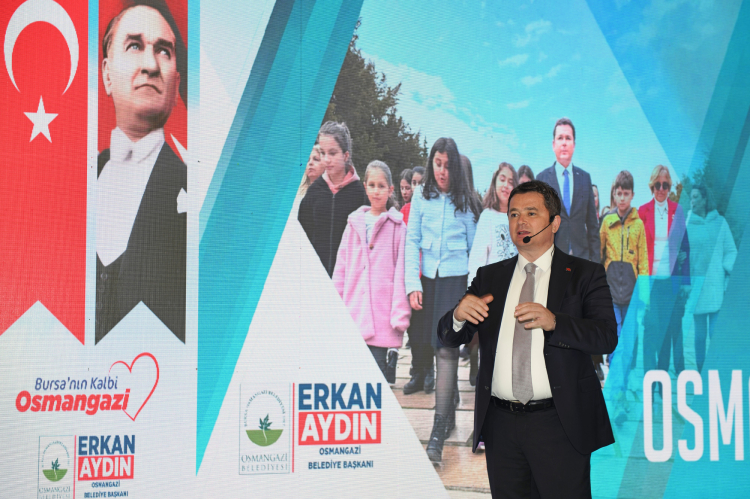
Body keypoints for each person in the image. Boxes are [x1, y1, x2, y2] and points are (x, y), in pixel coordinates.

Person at [437, 180, 617, 497]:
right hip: (501, 427)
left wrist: (555, 322)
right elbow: (450, 337)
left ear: (554, 222)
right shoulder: (490, 277)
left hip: (560, 424)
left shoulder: (585, 274)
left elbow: (605, 337)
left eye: (531, 213)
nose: (520, 222)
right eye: (514, 214)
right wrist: (457, 316)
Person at [96, 0, 187, 343]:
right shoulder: (75, 184)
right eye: (134, 46)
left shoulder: (195, 191)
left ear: (176, 85)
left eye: (164, 51)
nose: (150, 65)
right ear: (107, 74)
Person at [405, 138, 479, 463]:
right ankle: (448, 412)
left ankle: (437, 432)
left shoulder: (467, 203)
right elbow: (412, 240)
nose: (442, 171)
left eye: (448, 166)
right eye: (437, 164)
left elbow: (474, 252)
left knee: (446, 350)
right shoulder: (422, 197)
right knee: (431, 347)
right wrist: (412, 283)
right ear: (431, 162)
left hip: (455, 281)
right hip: (428, 282)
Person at [333, 161, 410, 378]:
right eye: (372, 185)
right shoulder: (352, 225)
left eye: (381, 186)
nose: (376, 191)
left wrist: (399, 315)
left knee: (376, 379)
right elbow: (341, 269)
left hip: (381, 318)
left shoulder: (398, 228)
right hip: (353, 313)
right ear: (365, 187)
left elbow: (401, 274)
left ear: (390, 190)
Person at [638, 165, 690, 380]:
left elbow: (685, 248)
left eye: (665, 185)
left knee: (668, 331)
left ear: (669, 187)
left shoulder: (678, 211)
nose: (661, 189)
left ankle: (661, 380)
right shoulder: (642, 212)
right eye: (658, 185)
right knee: (651, 331)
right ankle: (650, 381)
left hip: (670, 282)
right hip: (650, 282)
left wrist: (685, 281)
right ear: (652, 186)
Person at [298, 121, 368, 276]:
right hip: (315, 278)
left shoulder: (360, 195)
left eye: (332, 153)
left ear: (346, 155)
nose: (327, 159)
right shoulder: (314, 193)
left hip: (349, 281)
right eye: (323, 153)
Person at [599, 171, 648, 366]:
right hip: (610, 292)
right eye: (618, 194)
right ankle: (614, 372)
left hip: (631, 294)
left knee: (629, 335)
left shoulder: (638, 225)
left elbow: (643, 262)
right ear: (614, 194)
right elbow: (599, 254)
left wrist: (644, 295)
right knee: (615, 333)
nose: (622, 198)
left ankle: (626, 373)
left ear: (632, 195)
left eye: (626, 194)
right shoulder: (606, 222)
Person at [686, 184, 736, 371]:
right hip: (697, 289)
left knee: (715, 333)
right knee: (699, 336)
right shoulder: (687, 225)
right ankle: (701, 370)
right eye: (691, 197)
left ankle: (715, 368)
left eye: (696, 197)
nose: (692, 201)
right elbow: (681, 254)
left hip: (716, 287)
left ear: (705, 199)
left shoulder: (720, 223)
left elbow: (730, 251)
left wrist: (727, 273)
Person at [536, 118, 600, 262]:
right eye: (560, 138)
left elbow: (592, 227)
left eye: (568, 138)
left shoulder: (585, 178)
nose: (564, 143)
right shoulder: (541, 179)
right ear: (553, 144)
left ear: (574, 145)